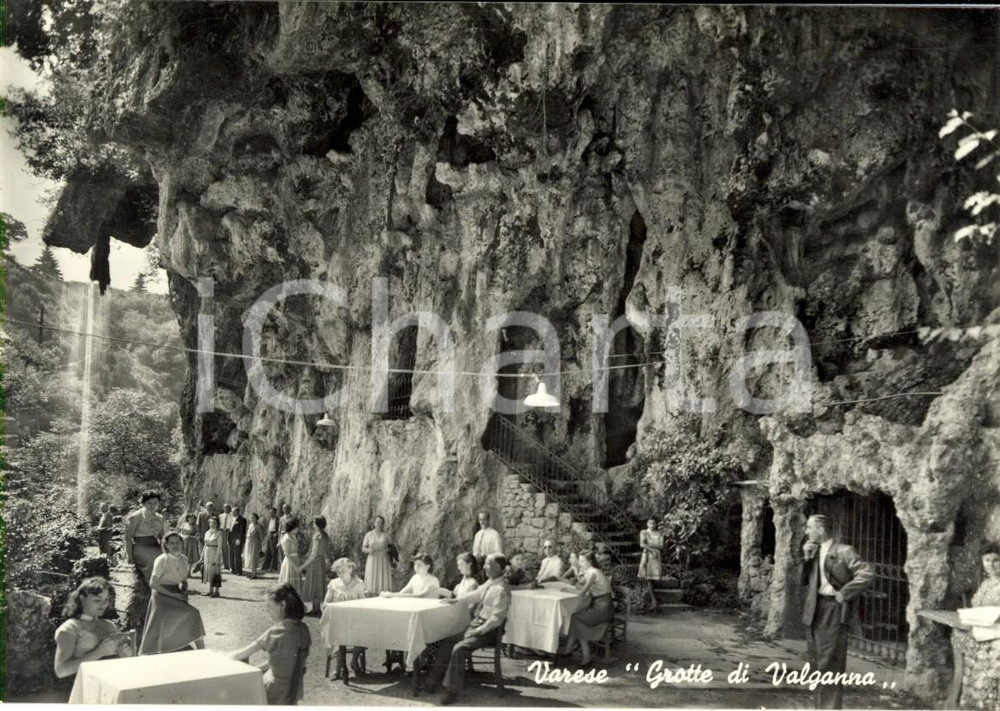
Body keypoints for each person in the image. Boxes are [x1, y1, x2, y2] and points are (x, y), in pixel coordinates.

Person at [801, 513, 874, 709]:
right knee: (816, 663)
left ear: (821, 529)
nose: (806, 531)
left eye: (809, 527)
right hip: (814, 610)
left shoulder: (844, 551)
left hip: (834, 610)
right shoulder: (814, 550)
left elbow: (867, 574)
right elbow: (803, 581)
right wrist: (807, 558)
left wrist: (845, 593)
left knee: (830, 664)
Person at [423, 553, 512, 705]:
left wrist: (479, 630)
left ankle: (452, 692)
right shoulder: (491, 582)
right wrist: (456, 599)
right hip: (477, 624)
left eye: (487, 564)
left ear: (497, 568)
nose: (484, 567)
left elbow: (496, 619)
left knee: (459, 648)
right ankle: (431, 682)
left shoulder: (501, 589)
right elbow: (475, 595)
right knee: (448, 640)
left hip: (489, 631)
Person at [229, 584, 311, 705]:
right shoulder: (303, 628)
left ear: (283, 605)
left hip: (272, 691)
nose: (266, 610)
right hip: (293, 691)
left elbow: (240, 654)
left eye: (269, 605)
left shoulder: (277, 631)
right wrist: (257, 669)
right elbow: (282, 660)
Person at [951, 542, 1000, 708]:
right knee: (962, 643)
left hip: (996, 637)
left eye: (996, 560)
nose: (991, 565)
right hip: (981, 633)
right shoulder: (986, 583)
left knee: (991, 676)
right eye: (987, 560)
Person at [139, 532, 207, 654]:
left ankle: (202, 651)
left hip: (176, 593)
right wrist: (173, 595)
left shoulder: (184, 559)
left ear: (182, 543)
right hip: (161, 596)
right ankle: (199, 650)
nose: (175, 545)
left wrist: (184, 590)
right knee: (192, 613)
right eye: (172, 543)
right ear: (167, 545)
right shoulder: (161, 560)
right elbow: (153, 584)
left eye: (178, 542)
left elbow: (184, 580)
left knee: (192, 614)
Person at [54, 577, 134, 678]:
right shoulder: (70, 628)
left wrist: (124, 655)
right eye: (97, 600)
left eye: (106, 600)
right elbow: (61, 671)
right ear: (82, 600)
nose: (104, 604)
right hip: (83, 686)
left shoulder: (109, 625)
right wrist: (98, 652)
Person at [558, 550, 614, 667]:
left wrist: (567, 590)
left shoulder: (594, 573)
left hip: (604, 608)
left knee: (576, 618)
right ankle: (573, 650)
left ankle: (584, 654)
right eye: (579, 560)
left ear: (590, 561)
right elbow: (578, 584)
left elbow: (582, 592)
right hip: (597, 605)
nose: (580, 563)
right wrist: (578, 578)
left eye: (582, 561)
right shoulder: (589, 572)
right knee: (576, 617)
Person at [323, 558, 367, 678]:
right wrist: (335, 605)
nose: (340, 574)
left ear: (350, 569)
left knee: (363, 634)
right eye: (338, 572)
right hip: (338, 620)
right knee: (338, 635)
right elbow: (326, 603)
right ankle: (339, 668)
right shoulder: (334, 583)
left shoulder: (359, 583)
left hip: (354, 620)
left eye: (343, 571)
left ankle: (354, 661)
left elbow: (364, 603)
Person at [124, 490, 168, 586]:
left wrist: (166, 553)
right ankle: (154, 591)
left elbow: (163, 538)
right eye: (149, 503)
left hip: (156, 547)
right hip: (140, 548)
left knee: (165, 566)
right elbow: (127, 537)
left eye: (155, 503)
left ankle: (165, 596)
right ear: (143, 503)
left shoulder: (159, 518)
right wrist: (129, 556)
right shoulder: (136, 516)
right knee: (153, 566)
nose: (152, 506)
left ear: (159, 504)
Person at [298, 516, 332, 614]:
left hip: (315, 562)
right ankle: (318, 608)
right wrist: (327, 562)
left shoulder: (317, 536)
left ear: (317, 524)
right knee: (319, 583)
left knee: (312, 582)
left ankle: (312, 608)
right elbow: (325, 552)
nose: (313, 524)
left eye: (314, 522)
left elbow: (313, 554)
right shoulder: (325, 535)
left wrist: (303, 566)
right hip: (321, 561)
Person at [362, 515, 393, 595]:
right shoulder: (369, 535)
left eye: (381, 523)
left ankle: (383, 595)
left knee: (382, 576)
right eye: (378, 522)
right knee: (372, 576)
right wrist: (369, 550)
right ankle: (372, 595)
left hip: (383, 559)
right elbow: (363, 548)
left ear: (383, 524)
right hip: (372, 558)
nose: (379, 524)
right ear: (374, 523)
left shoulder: (387, 535)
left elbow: (393, 548)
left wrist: (388, 550)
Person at [638, 517, 665, 612]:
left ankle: (646, 601)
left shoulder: (659, 533)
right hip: (648, 555)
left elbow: (661, 546)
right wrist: (652, 549)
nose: (652, 525)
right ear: (647, 524)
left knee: (654, 578)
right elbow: (642, 544)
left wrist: (649, 545)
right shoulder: (644, 532)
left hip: (656, 556)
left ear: (656, 524)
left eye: (654, 523)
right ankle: (653, 601)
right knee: (648, 577)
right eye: (650, 523)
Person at [201, 515, 225, 598]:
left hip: (214, 553)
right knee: (208, 572)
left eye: (214, 523)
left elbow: (219, 547)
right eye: (211, 522)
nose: (212, 524)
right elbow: (205, 545)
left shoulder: (219, 533)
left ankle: (216, 592)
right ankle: (210, 590)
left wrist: (217, 558)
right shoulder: (207, 532)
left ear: (218, 524)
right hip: (207, 553)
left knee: (215, 572)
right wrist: (202, 556)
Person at [278, 518, 302, 594]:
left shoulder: (293, 536)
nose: (298, 528)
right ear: (292, 527)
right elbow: (287, 554)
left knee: (295, 585)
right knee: (289, 583)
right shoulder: (286, 538)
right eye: (296, 527)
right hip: (290, 563)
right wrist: (295, 566)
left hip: (295, 560)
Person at [244, 513, 264, 579]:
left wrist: (260, 544)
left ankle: (254, 574)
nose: (252, 519)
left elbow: (261, 536)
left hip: (255, 543)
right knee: (249, 557)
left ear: (256, 518)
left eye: (254, 518)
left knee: (254, 557)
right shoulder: (250, 525)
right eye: (251, 518)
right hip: (249, 542)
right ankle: (252, 572)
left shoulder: (258, 526)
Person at [230, 506, 248, 576]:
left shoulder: (242, 519)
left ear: (238, 512)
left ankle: (238, 570)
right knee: (231, 554)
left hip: (237, 539)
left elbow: (242, 531)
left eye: (235, 511)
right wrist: (228, 539)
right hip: (231, 539)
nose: (233, 513)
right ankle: (233, 569)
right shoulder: (231, 519)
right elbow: (230, 530)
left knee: (237, 555)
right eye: (232, 512)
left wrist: (239, 539)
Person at [263, 507, 280, 572]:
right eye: (270, 512)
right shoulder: (269, 519)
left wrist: (276, 534)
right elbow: (268, 528)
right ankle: (265, 566)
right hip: (269, 534)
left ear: (275, 513)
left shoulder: (277, 520)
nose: (271, 514)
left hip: (274, 535)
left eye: (272, 512)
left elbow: (279, 528)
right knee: (268, 551)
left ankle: (274, 567)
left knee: (274, 552)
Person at [219, 504, 233, 570]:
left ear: (230, 508)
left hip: (229, 532)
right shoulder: (220, 516)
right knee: (223, 548)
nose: (226, 509)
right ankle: (225, 565)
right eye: (225, 507)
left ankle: (230, 565)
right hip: (222, 532)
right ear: (223, 508)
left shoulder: (232, 516)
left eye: (228, 507)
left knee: (228, 548)